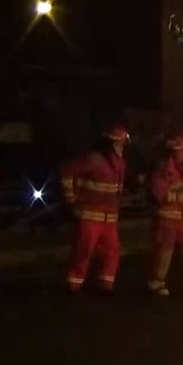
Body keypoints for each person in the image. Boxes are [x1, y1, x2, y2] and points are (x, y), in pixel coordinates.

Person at [59, 123, 129, 295]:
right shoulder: (93, 160)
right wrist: (71, 198)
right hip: (90, 214)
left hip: (109, 216)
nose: (122, 147)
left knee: (112, 251)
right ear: (113, 143)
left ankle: (106, 283)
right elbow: (67, 172)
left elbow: (116, 189)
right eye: (120, 143)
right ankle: (74, 283)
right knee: (84, 249)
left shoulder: (119, 163)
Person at [147, 132, 183, 296]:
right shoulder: (163, 168)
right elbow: (159, 192)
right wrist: (181, 197)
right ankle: (156, 283)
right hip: (167, 217)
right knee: (164, 250)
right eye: (181, 150)